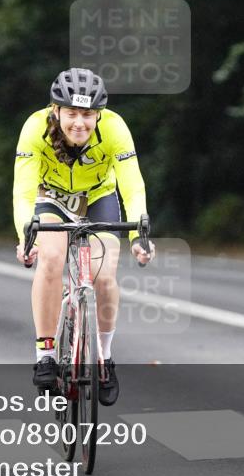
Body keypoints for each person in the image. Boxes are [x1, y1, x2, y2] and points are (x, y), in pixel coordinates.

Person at [13, 67, 155, 406]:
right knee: (50, 259)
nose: (80, 123)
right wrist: (26, 238)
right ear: (56, 110)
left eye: (88, 114)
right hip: (51, 197)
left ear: (99, 114)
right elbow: (23, 191)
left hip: (98, 197)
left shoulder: (115, 128)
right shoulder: (35, 128)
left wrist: (138, 236)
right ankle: (46, 354)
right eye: (72, 114)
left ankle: (104, 357)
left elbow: (132, 185)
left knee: (104, 276)